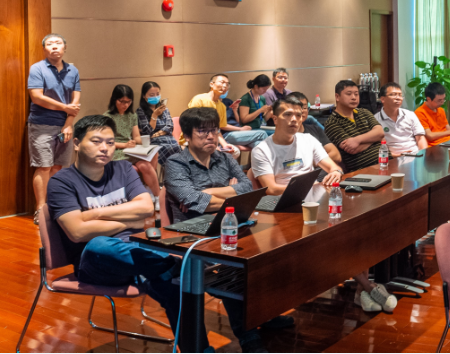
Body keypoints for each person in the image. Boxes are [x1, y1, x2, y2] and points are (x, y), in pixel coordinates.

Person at [50, 115, 279, 352]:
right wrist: (128, 218)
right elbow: (77, 232)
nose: (105, 148)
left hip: (142, 258)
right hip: (100, 264)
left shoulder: (123, 169)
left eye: (110, 142)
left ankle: (200, 349)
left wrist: (93, 214)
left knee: (179, 286)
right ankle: (175, 266)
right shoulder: (62, 182)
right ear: (76, 143)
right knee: (99, 244)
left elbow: (145, 209)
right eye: (96, 141)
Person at [250, 96, 392, 313]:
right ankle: (367, 286)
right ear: (274, 118)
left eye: (298, 115)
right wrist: (308, 185)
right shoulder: (262, 149)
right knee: (337, 238)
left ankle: (361, 290)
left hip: (313, 202)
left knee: (357, 228)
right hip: (283, 209)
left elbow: (333, 166)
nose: (294, 119)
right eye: (288, 114)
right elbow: (271, 188)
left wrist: (335, 172)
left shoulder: (308, 140)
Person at [163, 107, 255, 220]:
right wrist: (233, 197)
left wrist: (206, 192)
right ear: (187, 136)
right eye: (202, 131)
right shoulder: (175, 163)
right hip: (193, 226)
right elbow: (192, 199)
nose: (211, 136)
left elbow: (247, 188)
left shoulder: (225, 158)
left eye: (214, 130)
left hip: (229, 221)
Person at [27, 33, 81, 222]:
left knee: (58, 167)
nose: (54, 46)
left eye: (58, 43)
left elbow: (75, 101)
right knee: (44, 166)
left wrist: (68, 124)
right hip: (41, 124)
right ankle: (40, 210)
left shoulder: (72, 70)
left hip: (64, 125)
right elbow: (37, 97)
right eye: (50, 44)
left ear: (65, 47)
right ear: (44, 49)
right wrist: (65, 108)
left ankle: (53, 206)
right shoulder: (37, 68)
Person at [188, 74, 268, 149]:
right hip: (205, 137)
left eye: (227, 84)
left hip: (220, 135)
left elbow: (219, 127)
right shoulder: (199, 99)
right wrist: (239, 129)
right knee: (262, 134)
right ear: (211, 84)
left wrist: (235, 110)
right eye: (222, 82)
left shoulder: (222, 105)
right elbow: (193, 124)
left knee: (258, 144)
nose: (225, 86)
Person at [322, 80, 385, 172]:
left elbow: (380, 133)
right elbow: (352, 149)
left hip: (386, 162)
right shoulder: (332, 122)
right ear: (337, 97)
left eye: (356, 94)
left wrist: (357, 140)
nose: (354, 97)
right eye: (349, 94)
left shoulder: (364, 112)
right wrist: (375, 139)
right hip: (362, 170)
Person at [377, 83, 429, 158]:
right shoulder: (376, 120)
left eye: (400, 95)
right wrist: (396, 156)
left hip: (414, 156)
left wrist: (423, 156)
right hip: (391, 159)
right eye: (393, 95)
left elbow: (420, 138)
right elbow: (376, 147)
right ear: (383, 99)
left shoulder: (410, 115)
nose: (398, 98)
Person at [105, 84, 142, 161]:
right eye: (122, 101)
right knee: (144, 165)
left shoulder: (132, 115)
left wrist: (146, 142)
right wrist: (125, 145)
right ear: (114, 99)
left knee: (151, 157)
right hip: (116, 149)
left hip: (130, 148)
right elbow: (107, 142)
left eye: (129, 102)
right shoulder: (108, 117)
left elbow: (136, 136)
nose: (126, 105)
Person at [137, 81, 177, 150]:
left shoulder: (164, 109)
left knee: (177, 147)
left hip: (169, 139)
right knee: (170, 149)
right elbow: (146, 133)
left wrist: (155, 134)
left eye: (157, 94)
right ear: (144, 96)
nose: (155, 97)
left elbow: (170, 127)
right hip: (154, 142)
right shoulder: (140, 111)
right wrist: (154, 115)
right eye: (152, 95)